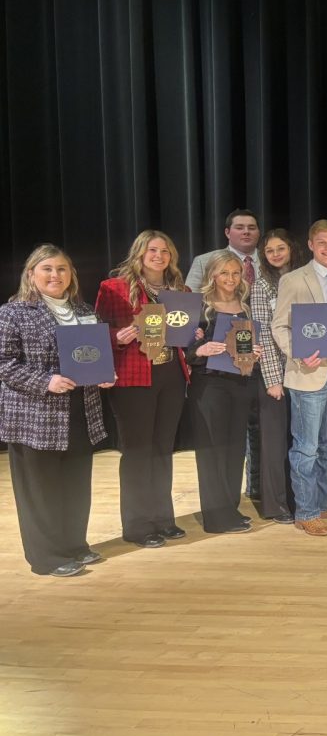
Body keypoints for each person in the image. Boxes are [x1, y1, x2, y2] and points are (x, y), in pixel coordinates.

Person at [0, 245, 112, 577]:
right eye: (47, 268)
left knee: (76, 484)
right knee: (41, 490)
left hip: (79, 411)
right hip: (36, 415)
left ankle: (74, 544)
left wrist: (105, 375)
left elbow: (92, 356)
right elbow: (4, 364)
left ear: (71, 275)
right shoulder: (13, 312)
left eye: (62, 269)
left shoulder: (83, 309)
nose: (55, 275)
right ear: (31, 274)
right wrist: (45, 381)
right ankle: (46, 557)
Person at [94, 230, 192, 547]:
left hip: (171, 375)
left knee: (163, 448)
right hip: (133, 377)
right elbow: (95, 333)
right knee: (138, 452)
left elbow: (183, 335)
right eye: (152, 250)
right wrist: (116, 337)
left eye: (165, 250)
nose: (159, 256)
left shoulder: (179, 289)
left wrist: (195, 333)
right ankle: (137, 526)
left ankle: (163, 518)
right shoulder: (114, 288)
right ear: (139, 253)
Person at [271, 220, 327, 537]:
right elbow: (279, 326)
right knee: (307, 448)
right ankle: (307, 511)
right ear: (311, 245)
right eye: (322, 243)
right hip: (307, 373)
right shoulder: (293, 279)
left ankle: (326, 501)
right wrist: (297, 353)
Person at [185, 209, 264, 501]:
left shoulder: (244, 307)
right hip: (209, 385)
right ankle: (216, 513)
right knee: (212, 450)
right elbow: (185, 347)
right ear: (212, 274)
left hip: (240, 383)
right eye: (224, 273)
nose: (230, 278)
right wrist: (200, 350)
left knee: (234, 448)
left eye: (235, 273)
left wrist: (253, 352)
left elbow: (242, 343)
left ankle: (231, 507)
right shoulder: (199, 306)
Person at [248, 228, 303, 524]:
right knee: (274, 443)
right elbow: (264, 334)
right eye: (270, 251)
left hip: (305, 372)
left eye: (280, 248)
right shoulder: (261, 286)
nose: (276, 254)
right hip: (275, 376)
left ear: (291, 248)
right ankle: (275, 504)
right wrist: (272, 379)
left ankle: (299, 500)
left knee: (300, 441)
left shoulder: (304, 278)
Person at [185, 208, 262, 291]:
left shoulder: (272, 260)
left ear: (259, 232)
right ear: (227, 233)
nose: (246, 232)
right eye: (239, 228)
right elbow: (189, 300)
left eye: (252, 228)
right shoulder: (203, 261)